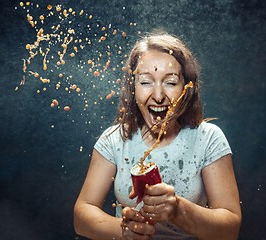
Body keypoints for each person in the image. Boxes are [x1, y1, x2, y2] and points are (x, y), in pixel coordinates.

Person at [74, 32, 241, 240]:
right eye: (146, 82)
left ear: (186, 89)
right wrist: (123, 231)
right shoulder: (115, 140)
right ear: (133, 88)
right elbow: (81, 216)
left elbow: (230, 230)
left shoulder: (208, 139)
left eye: (170, 83)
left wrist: (177, 209)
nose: (159, 96)